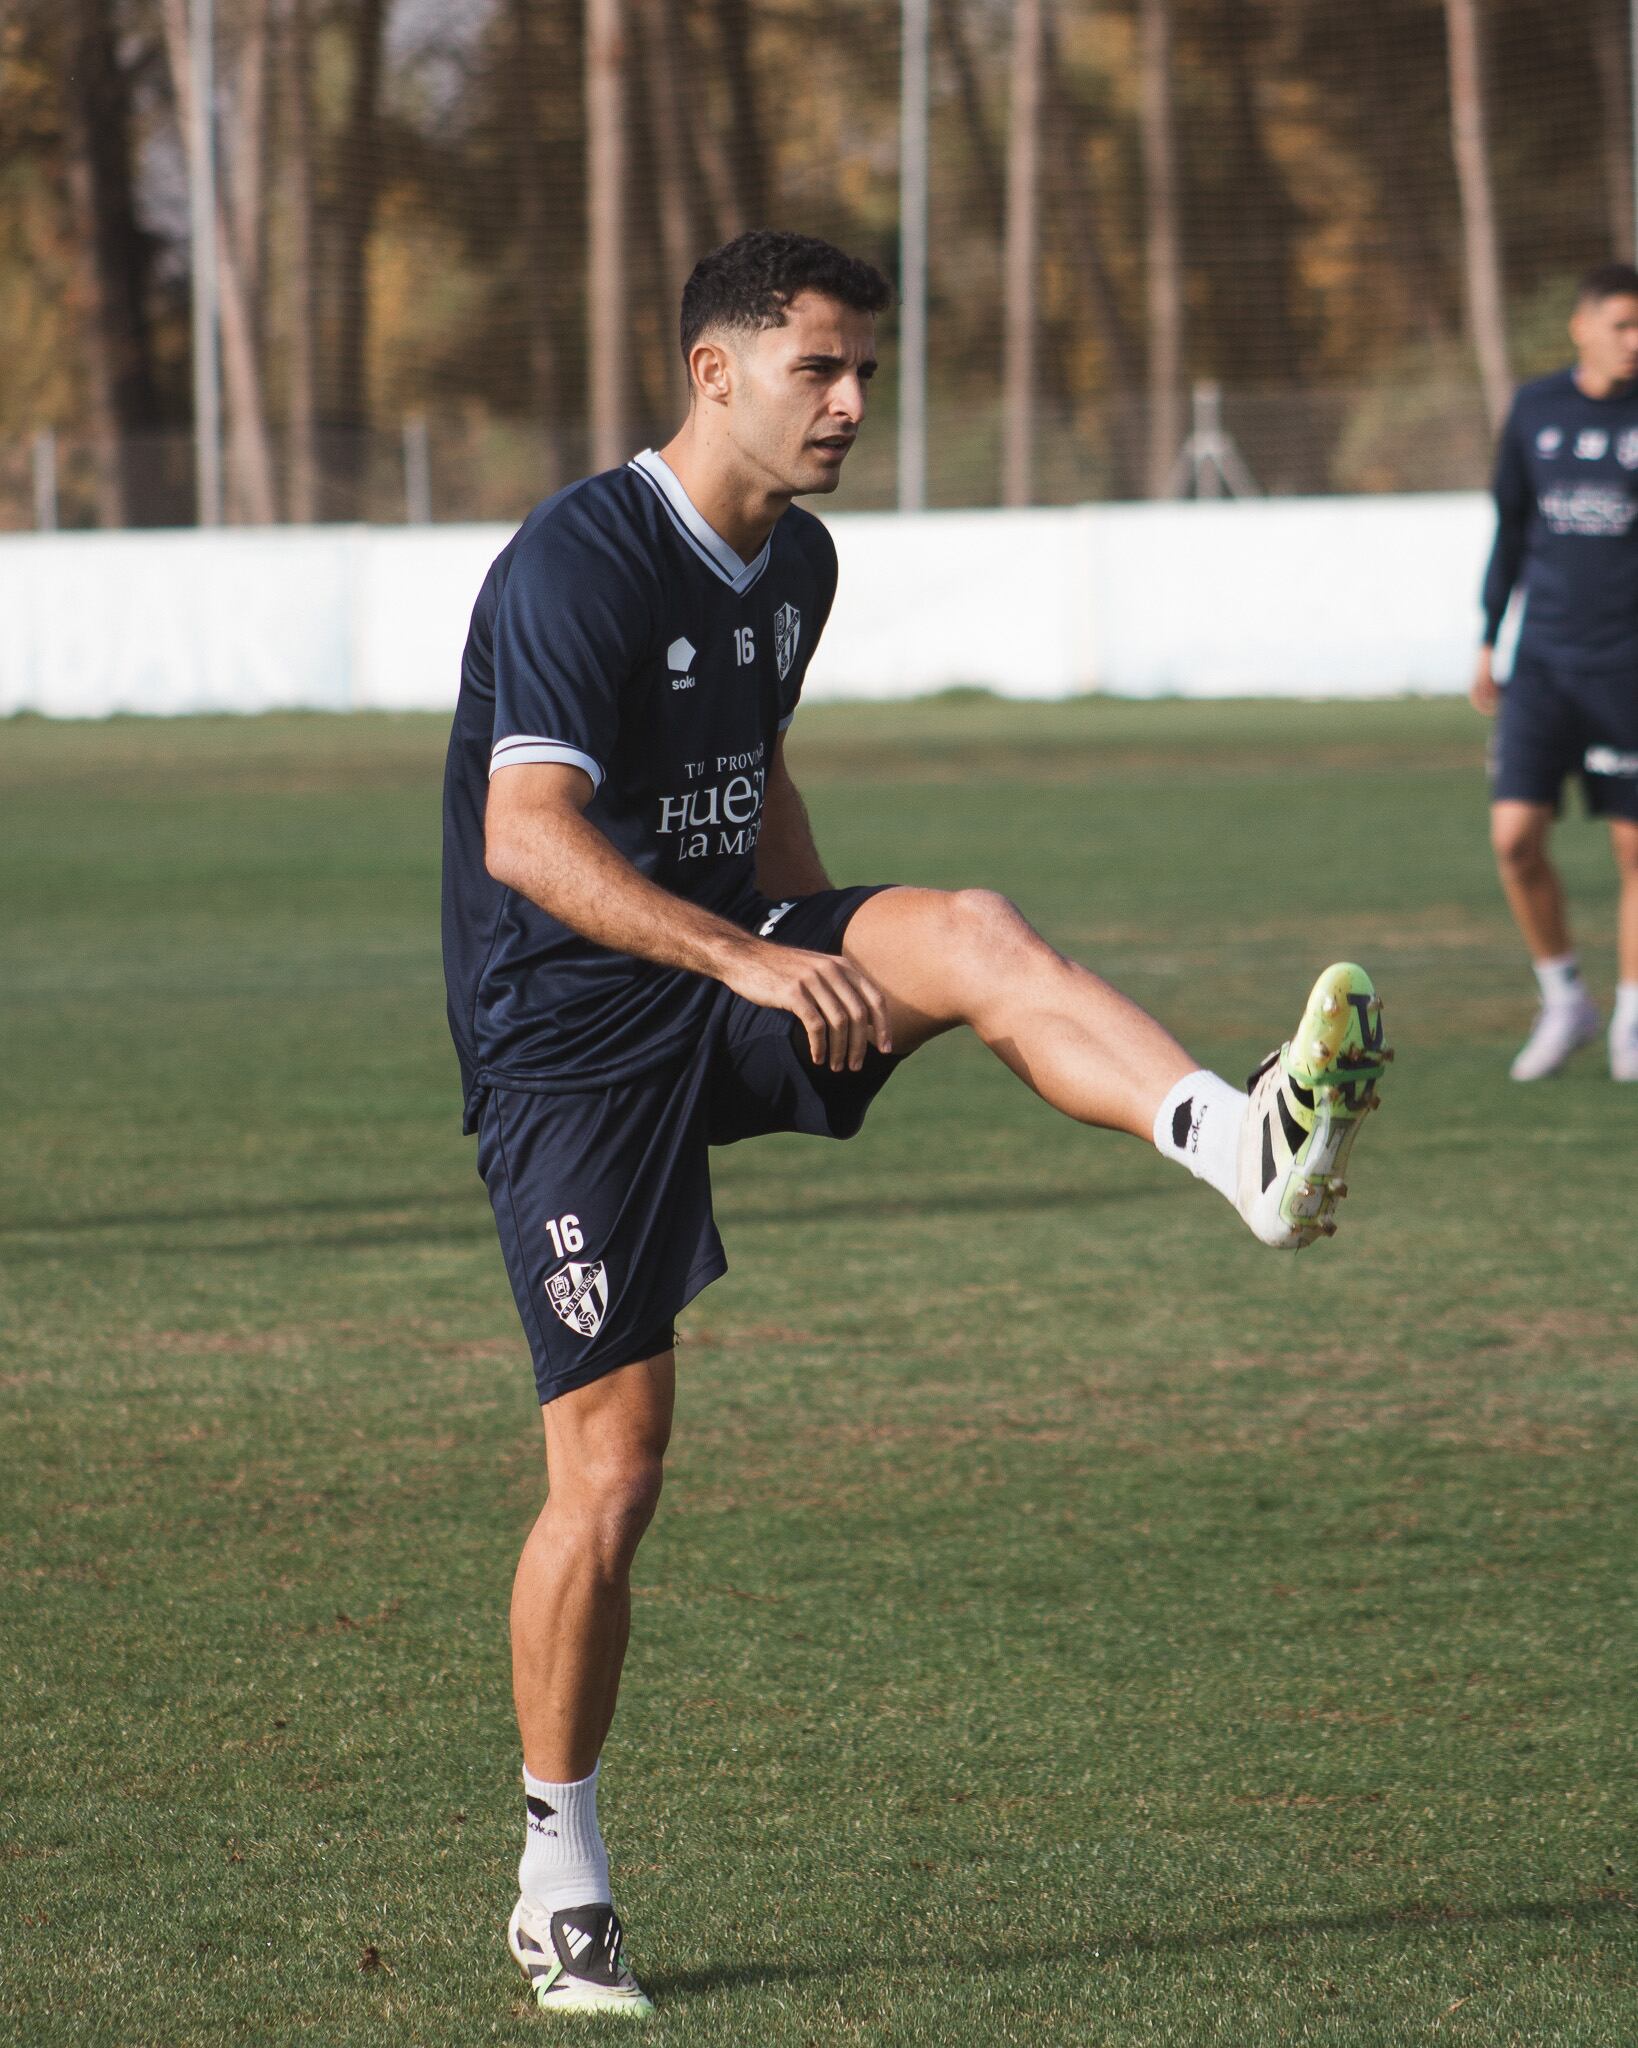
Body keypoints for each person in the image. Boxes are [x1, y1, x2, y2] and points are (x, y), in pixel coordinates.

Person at [440, 229, 1390, 2017]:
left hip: (730, 969)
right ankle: (555, 1863)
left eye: (866, 366)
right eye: (819, 367)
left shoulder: (795, 560)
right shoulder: (582, 557)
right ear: (712, 371)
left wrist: (834, 946)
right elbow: (529, 839)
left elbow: (757, 763)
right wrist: (745, 957)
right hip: (564, 1041)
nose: (855, 402)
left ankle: (1237, 1139)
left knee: (966, 929)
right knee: (614, 1469)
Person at [1470, 261, 1638, 1081]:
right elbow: (1509, 526)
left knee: (1635, 848)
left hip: (1630, 668)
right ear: (1581, 326)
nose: (1634, 342)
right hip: (1543, 665)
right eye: (1621, 325)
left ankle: (1633, 1020)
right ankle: (1566, 998)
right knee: (1514, 840)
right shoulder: (1536, 410)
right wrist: (1486, 639)